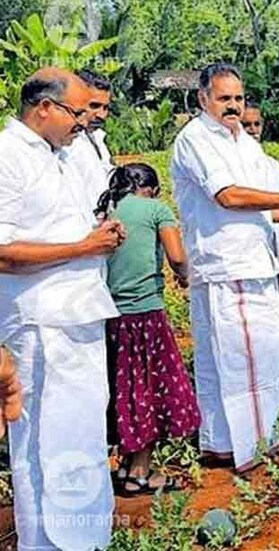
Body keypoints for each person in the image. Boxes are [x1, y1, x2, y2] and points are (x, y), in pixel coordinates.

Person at [171, 62, 279, 472]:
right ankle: (260, 448)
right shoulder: (196, 138)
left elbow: (264, 208)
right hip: (229, 265)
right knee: (247, 359)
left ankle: (222, 443)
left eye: (238, 98)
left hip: (251, 263)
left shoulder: (245, 142)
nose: (233, 106)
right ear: (203, 98)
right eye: (224, 98)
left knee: (238, 358)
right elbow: (228, 196)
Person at [0, 67, 123, 550]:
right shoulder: (9, 155)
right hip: (38, 323)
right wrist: (83, 246)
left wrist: (100, 237)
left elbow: (74, 228)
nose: (82, 122)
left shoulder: (66, 156)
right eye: (76, 112)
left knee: (83, 438)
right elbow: (4, 250)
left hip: (80, 314)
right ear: (43, 108)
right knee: (40, 446)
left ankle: (88, 540)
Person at [96, 163, 200, 496]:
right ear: (152, 189)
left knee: (124, 388)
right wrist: (184, 275)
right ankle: (139, 472)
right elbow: (176, 254)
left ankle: (126, 465)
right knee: (150, 389)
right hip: (145, 315)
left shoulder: (106, 211)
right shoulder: (156, 209)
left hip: (112, 316)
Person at [242, 101, 279, 372]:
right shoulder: (235, 167)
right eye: (246, 124)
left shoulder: (271, 165)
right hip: (249, 261)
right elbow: (266, 211)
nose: (252, 130)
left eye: (256, 124)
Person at [60, 69, 116, 216]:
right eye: (94, 106)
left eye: (106, 107)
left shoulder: (96, 137)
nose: (102, 115)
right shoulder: (62, 144)